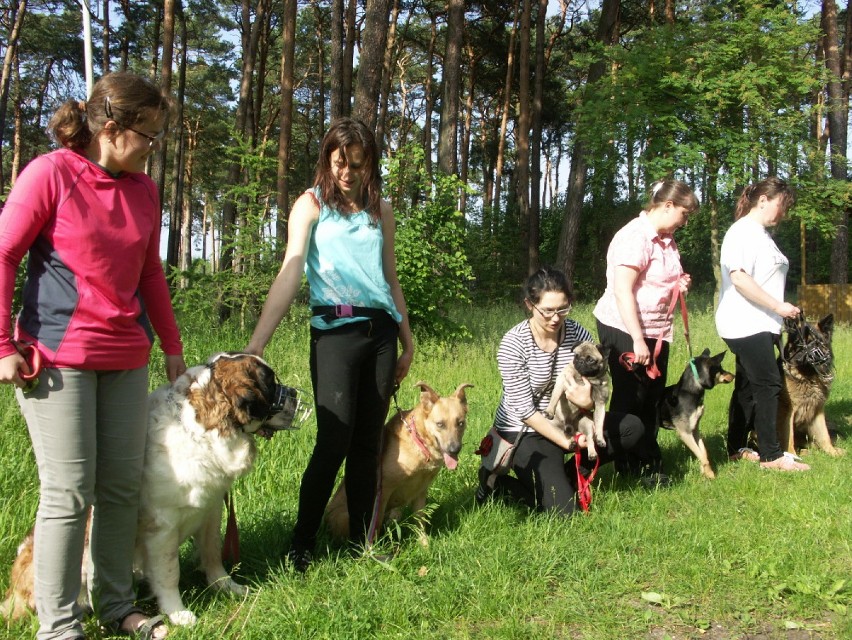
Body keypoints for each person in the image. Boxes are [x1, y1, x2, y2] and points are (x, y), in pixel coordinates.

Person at [0, 72, 184, 640]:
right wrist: (3, 345)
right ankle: (57, 625)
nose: (154, 148)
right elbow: (3, 253)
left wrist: (172, 346)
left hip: (127, 357)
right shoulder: (50, 174)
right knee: (70, 490)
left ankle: (115, 605)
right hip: (58, 359)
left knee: (122, 486)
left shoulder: (144, 191)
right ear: (111, 128)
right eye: (148, 135)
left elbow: (149, 271)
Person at [245, 118, 414, 572]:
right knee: (334, 439)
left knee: (366, 444)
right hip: (334, 333)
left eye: (357, 164)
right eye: (339, 162)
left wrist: (407, 338)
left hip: (380, 334)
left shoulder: (381, 208)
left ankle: (362, 541)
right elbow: (291, 269)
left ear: (369, 164)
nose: (347, 172)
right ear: (327, 159)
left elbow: (390, 278)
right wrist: (257, 343)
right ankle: (301, 543)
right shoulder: (311, 204)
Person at [474, 267, 646, 516]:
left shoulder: (577, 332)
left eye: (563, 309)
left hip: (572, 418)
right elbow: (524, 411)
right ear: (529, 305)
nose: (556, 318)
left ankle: (569, 476)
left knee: (632, 427)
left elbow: (598, 375)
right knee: (563, 511)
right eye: (548, 311)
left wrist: (587, 401)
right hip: (527, 429)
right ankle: (497, 483)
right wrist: (570, 442)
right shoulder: (513, 343)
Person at [592, 179, 699, 486]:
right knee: (630, 397)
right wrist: (637, 339)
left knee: (652, 397)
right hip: (624, 326)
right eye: (684, 214)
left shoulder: (666, 239)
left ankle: (648, 463)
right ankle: (622, 465)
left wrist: (679, 285)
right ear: (667, 206)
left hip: (657, 328)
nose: (685, 221)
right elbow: (623, 291)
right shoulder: (633, 237)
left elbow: (660, 278)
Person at [715, 177, 808, 471]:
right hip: (743, 322)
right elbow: (740, 278)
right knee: (768, 383)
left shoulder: (761, 235)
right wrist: (778, 306)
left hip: (762, 323)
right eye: (782, 206)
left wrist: (778, 313)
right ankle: (771, 455)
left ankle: (736, 447)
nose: (783, 213)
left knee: (747, 386)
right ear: (763, 200)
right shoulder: (741, 232)